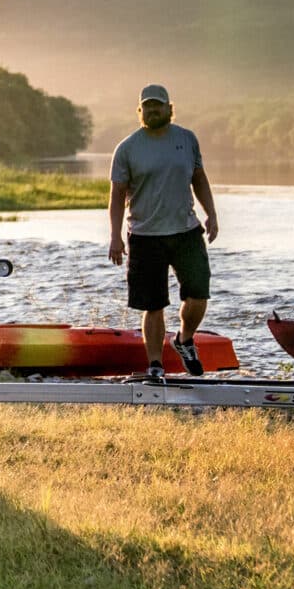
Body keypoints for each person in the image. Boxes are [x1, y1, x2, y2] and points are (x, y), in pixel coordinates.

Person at [107, 84, 221, 381]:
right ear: (140, 111)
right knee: (153, 304)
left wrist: (211, 213)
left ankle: (184, 340)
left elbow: (199, 178)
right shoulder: (128, 148)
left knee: (198, 294)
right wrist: (115, 236)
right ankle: (155, 364)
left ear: (170, 108)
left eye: (158, 105)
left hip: (186, 231)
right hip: (145, 236)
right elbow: (117, 195)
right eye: (147, 106)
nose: (153, 110)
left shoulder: (186, 139)